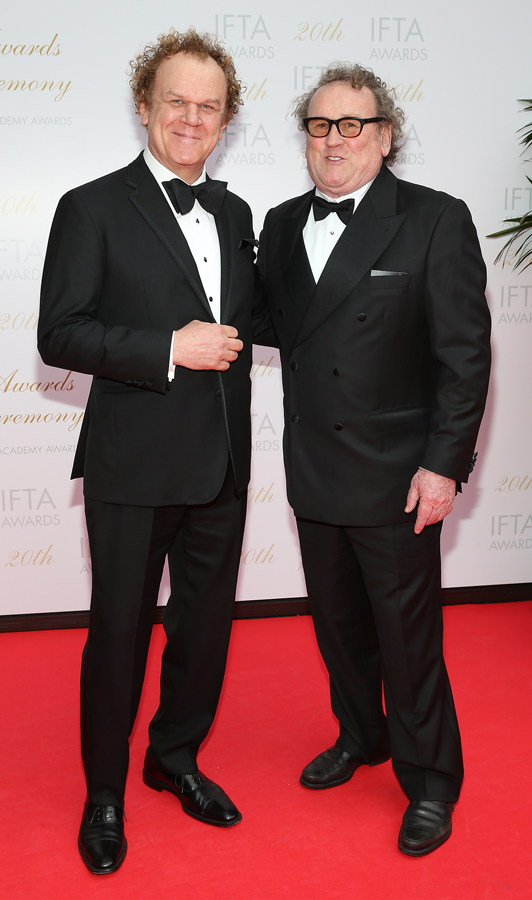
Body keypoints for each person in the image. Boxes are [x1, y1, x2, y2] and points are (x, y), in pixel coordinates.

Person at [38, 28, 265, 874]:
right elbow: (60, 333)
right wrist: (170, 348)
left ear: (225, 119)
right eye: (176, 100)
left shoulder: (239, 212)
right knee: (120, 633)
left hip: (223, 466)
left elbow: (264, 321)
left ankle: (174, 760)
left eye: (209, 106)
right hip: (133, 464)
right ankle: (104, 793)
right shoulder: (89, 206)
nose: (191, 117)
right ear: (145, 105)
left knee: (204, 633)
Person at [257, 63, 491, 856]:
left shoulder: (433, 220)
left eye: (352, 125)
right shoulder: (284, 223)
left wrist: (444, 464)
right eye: (319, 125)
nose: (333, 140)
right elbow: (274, 320)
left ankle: (431, 781)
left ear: (385, 137)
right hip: (314, 471)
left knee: (407, 638)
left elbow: (464, 358)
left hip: (398, 477)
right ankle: (361, 735)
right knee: (339, 628)